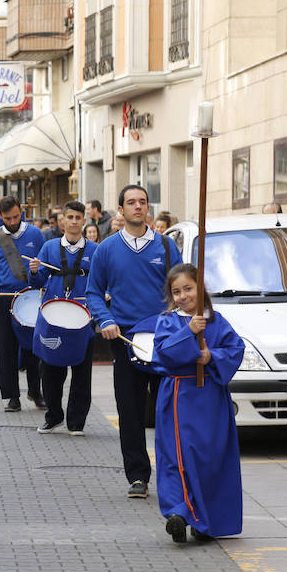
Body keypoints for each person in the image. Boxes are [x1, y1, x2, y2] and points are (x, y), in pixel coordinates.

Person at [86, 184, 182, 499]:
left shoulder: (167, 248)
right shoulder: (106, 249)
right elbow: (93, 292)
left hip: (164, 340)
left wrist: (179, 316)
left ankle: (174, 473)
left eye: (142, 201)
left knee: (169, 410)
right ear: (121, 210)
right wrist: (106, 320)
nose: (138, 207)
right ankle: (138, 476)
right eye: (131, 202)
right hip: (125, 340)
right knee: (130, 410)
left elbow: (182, 290)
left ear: (148, 208)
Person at [153, 263, 244, 543]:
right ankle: (179, 512)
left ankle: (205, 522)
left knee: (210, 458)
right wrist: (189, 332)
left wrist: (211, 357)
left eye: (188, 289)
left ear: (200, 288)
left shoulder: (216, 321)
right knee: (178, 455)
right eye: (176, 291)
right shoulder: (169, 320)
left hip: (211, 398)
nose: (183, 296)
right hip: (179, 396)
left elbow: (235, 349)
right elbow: (164, 352)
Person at [29, 201, 98, 435]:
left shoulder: (95, 250)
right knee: (49, 369)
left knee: (82, 371)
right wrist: (35, 271)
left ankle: (76, 422)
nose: (75, 221)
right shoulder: (49, 247)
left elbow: (102, 281)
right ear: (63, 221)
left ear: (84, 221)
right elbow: (36, 283)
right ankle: (53, 415)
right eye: (70, 217)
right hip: (54, 317)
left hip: (83, 317)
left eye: (79, 217)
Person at [0, 196, 47, 412]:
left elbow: (46, 264)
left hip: (31, 297)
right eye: (7, 218)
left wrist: (38, 270)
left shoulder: (35, 234)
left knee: (34, 349)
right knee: (6, 349)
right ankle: (12, 396)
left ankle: (36, 392)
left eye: (16, 216)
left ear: (21, 211)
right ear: (0, 216)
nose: (12, 221)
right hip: (4, 299)